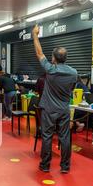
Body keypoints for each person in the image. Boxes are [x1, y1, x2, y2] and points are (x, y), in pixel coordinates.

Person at [32, 24, 77, 174]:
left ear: (54, 58)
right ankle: (65, 167)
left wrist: (35, 35)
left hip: (49, 109)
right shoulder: (74, 73)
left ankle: (45, 165)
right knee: (65, 138)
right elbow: (71, 89)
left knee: (47, 137)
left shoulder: (50, 69)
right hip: (64, 109)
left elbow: (39, 53)